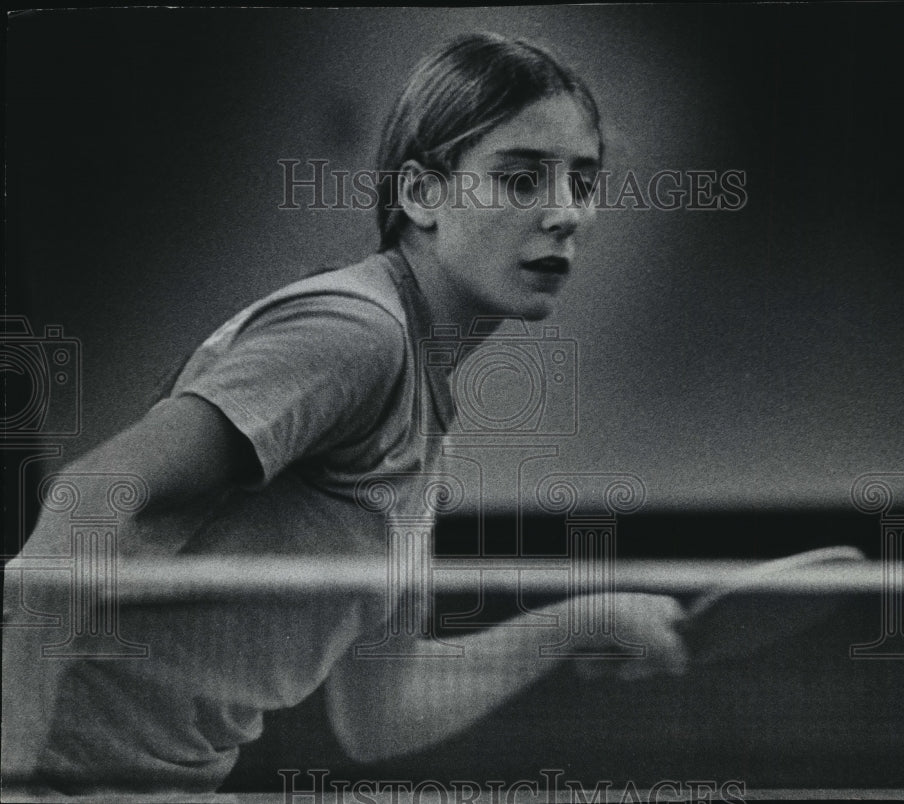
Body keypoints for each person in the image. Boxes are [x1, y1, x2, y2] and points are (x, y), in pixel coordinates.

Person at [1, 32, 688, 795]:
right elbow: (87, 498)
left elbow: (380, 716)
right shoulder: (359, 334)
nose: (566, 212)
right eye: (522, 178)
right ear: (421, 194)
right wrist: (12, 777)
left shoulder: (421, 421)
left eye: (583, 182)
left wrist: (584, 621)